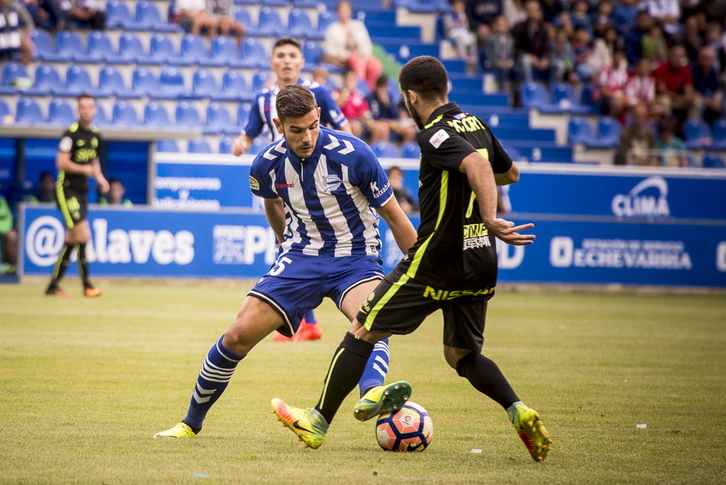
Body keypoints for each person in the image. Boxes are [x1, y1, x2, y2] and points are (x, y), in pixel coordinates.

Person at [271, 56, 551, 463]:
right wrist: (479, 204)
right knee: (462, 356)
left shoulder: (432, 135)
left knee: (363, 328)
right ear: (447, 89)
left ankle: (317, 422)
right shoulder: (475, 124)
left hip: (438, 258)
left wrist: (490, 215)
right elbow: (509, 173)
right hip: (480, 258)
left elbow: (474, 164)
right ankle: (517, 409)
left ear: (411, 96)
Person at [153, 83, 418, 439]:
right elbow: (271, 202)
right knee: (236, 335)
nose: (307, 136)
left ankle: (371, 393)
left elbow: (395, 216)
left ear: (319, 116)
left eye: (312, 126)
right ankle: (190, 424)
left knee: (370, 317)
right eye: (296, 130)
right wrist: (283, 245)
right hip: (300, 257)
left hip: (355, 257)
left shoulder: (356, 154)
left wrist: (420, 270)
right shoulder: (266, 164)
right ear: (279, 126)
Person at [231, 37, 353, 341]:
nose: (286, 60)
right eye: (281, 56)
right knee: (288, 246)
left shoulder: (319, 93)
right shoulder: (262, 99)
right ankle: (303, 322)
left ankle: (301, 320)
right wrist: (241, 143)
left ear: (300, 62)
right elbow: (250, 133)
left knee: (297, 248)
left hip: (316, 184)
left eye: (292, 56)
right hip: (281, 182)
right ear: (273, 63)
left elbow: (345, 131)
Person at [45, 94, 109, 297]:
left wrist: (100, 179)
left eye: (90, 106)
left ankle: (53, 285)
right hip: (66, 189)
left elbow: (94, 161)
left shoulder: (96, 136)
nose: (86, 110)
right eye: (83, 107)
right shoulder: (70, 135)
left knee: (71, 239)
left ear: (95, 110)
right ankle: (87, 285)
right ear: (78, 110)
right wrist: (84, 170)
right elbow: (61, 163)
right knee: (84, 235)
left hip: (82, 192)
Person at [322, 1, 382, 92]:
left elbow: (366, 44)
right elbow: (329, 49)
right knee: (357, 62)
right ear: (337, 12)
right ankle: (359, 90)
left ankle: (370, 91)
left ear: (350, 12)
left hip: (361, 55)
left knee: (375, 65)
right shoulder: (333, 28)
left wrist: (365, 55)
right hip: (343, 58)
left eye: (346, 10)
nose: (344, 13)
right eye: (341, 11)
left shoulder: (358, 26)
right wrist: (343, 55)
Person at [511, 0, 553, 83]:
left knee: (558, 65)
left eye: (534, 10)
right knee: (526, 60)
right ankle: (529, 88)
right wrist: (530, 57)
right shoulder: (518, 28)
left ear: (539, 12)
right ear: (526, 11)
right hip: (521, 61)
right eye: (529, 10)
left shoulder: (544, 30)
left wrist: (545, 58)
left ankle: (551, 91)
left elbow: (549, 48)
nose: (532, 13)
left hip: (539, 61)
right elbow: (514, 49)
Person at [367, 75, 416, 144]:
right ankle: (379, 152)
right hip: (378, 123)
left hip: (391, 123)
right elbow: (371, 116)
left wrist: (387, 104)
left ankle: (406, 152)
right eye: (381, 88)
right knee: (382, 129)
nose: (383, 91)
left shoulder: (389, 97)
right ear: (377, 87)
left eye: (385, 88)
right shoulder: (370, 98)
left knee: (409, 132)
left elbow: (395, 115)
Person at [442, 0, 478, 64]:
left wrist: (465, 22)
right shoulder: (449, 16)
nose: (458, 8)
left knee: (473, 37)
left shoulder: (464, 16)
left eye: (460, 7)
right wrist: (458, 23)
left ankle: (472, 54)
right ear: (453, 7)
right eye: (456, 7)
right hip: (453, 32)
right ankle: (462, 54)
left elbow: (467, 27)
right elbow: (448, 26)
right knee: (459, 37)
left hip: (463, 31)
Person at [0, 0, 34, 66]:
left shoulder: (17, 6)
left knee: (29, 47)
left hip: (15, 37)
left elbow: (29, 24)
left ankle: (19, 69)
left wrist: (25, 37)